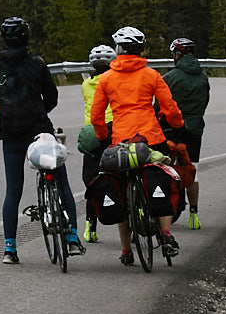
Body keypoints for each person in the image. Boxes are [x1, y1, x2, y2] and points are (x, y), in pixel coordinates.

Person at [0, 17, 80, 264]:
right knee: (61, 181)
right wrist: (39, 110)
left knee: (13, 191)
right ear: (27, 37)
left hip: (11, 134)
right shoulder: (37, 64)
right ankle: (71, 237)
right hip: (40, 131)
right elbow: (52, 98)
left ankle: (9, 249)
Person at [87, 26, 185, 263]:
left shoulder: (107, 78)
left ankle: (126, 250)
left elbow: (96, 116)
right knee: (161, 178)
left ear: (118, 50)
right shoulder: (151, 75)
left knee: (120, 190)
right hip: (151, 138)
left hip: (121, 140)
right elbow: (169, 107)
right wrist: (178, 124)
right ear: (141, 50)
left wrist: (103, 138)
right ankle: (166, 233)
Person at [162, 37, 208, 230]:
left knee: (164, 167)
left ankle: (165, 209)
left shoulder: (171, 77)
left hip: (173, 127)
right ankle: (194, 215)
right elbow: (205, 101)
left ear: (177, 55)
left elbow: (161, 103)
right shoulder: (203, 76)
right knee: (192, 169)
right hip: (195, 127)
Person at [76, 44, 116, 241]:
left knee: (92, 181)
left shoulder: (86, 84)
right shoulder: (114, 80)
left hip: (92, 133)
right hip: (113, 129)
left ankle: (90, 228)